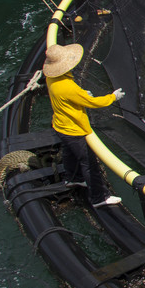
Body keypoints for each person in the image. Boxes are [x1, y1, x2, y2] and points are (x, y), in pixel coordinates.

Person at [44, 42, 124, 208]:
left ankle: (74, 179)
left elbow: (73, 97)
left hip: (59, 126)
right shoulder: (68, 87)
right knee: (89, 163)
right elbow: (92, 102)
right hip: (73, 130)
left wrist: (80, 95)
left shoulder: (51, 79)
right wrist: (112, 97)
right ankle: (99, 198)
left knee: (69, 154)